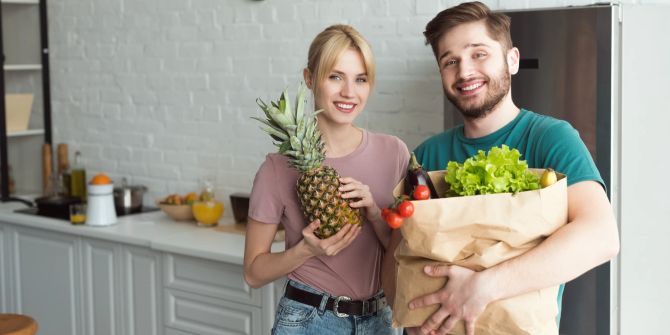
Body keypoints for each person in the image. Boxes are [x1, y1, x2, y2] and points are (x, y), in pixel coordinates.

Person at [381, 2, 620, 335]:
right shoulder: (426, 156)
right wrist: (411, 315)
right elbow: (395, 263)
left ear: (512, 60)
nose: (464, 72)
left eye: (479, 54)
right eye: (450, 61)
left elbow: (601, 236)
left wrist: (483, 287)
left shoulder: (551, 138)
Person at [244, 24, 410, 335]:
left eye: (360, 79)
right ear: (310, 78)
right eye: (335, 77)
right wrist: (305, 251)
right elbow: (253, 273)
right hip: (309, 319)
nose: (349, 92)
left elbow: (402, 252)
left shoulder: (394, 153)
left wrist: (374, 213)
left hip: (380, 320)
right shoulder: (277, 168)